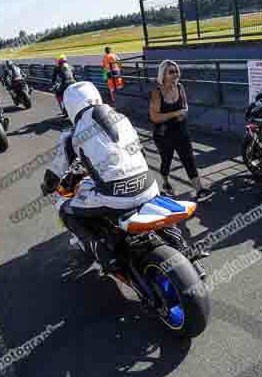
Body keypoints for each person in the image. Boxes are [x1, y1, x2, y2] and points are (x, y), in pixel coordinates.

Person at [40, 81, 206, 278]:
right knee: (158, 209)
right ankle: (189, 255)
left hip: (114, 195)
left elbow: (56, 172)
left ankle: (104, 254)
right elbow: (140, 152)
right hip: (147, 184)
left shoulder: (73, 134)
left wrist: (47, 186)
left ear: (70, 106)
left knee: (66, 209)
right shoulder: (122, 118)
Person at [149, 60, 213, 201]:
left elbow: (185, 106)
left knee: (189, 159)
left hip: (181, 131)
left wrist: (183, 113)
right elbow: (154, 117)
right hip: (163, 134)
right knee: (166, 161)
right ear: (163, 74)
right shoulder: (157, 92)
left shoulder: (180, 87)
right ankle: (165, 182)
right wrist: (175, 114)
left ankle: (199, 190)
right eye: (171, 72)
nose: (175, 74)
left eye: (176, 71)